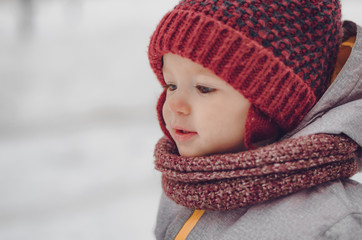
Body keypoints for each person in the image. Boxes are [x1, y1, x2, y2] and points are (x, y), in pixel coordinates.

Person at [148, 0, 362, 239]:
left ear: (276, 103)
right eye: (171, 85)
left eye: (204, 88)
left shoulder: (331, 223)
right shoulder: (186, 186)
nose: (175, 105)